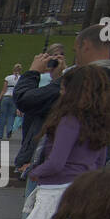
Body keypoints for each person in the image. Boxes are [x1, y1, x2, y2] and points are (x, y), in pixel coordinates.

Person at [15, 64, 110, 219]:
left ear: (73, 91)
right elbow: (100, 163)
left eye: (63, 87)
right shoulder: (101, 121)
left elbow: (56, 162)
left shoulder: (69, 120)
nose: (60, 91)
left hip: (55, 190)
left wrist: (34, 172)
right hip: (82, 190)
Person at [13, 44, 67, 175]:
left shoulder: (64, 77)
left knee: (36, 136)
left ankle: (26, 161)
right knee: (29, 135)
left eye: (60, 54)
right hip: (34, 108)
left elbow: (25, 97)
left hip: (43, 109)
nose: (56, 58)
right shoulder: (41, 75)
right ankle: (25, 160)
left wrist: (58, 75)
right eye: (53, 55)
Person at [73, 22, 110, 128]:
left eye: (76, 50)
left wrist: (33, 73)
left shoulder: (83, 77)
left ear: (86, 45)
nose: (76, 56)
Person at [0, 64, 22, 138]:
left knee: (2, 116)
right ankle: (9, 130)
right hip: (14, 98)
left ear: (13, 70)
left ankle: (0, 135)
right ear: (20, 70)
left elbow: (4, 90)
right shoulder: (21, 78)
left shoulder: (8, 78)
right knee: (11, 116)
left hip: (6, 97)